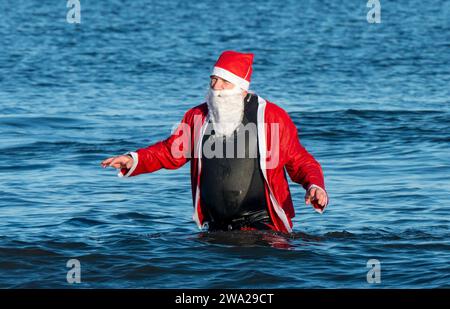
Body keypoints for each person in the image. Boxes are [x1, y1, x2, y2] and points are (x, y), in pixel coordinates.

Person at [101, 50, 328, 233]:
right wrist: (134, 160)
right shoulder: (198, 116)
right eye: (213, 79)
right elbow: (171, 152)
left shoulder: (270, 117)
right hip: (215, 228)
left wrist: (314, 185)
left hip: (265, 226)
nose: (215, 87)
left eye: (223, 81)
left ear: (240, 87)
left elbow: (300, 160)